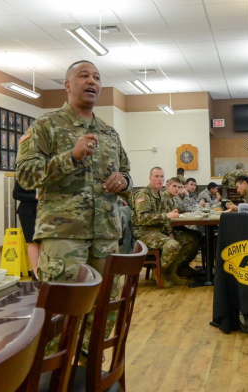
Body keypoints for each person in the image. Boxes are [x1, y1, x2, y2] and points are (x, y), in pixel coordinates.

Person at [16, 60, 132, 283]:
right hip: (63, 236)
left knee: (107, 310)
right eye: (84, 76)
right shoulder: (45, 125)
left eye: (97, 78)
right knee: (65, 311)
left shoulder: (109, 133)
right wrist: (70, 158)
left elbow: (126, 172)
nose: (92, 81)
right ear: (67, 85)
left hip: (106, 235)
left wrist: (124, 181)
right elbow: (26, 176)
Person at [132, 169, 198, 288]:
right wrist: (166, 216)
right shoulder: (143, 195)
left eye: (162, 176)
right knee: (173, 245)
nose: (159, 179)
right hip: (144, 232)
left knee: (189, 239)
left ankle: (172, 272)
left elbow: (165, 218)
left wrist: (169, 231)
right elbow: (141, 219)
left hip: (158, 231)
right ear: (150, 178)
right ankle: (158, 272)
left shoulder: (159, 195)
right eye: (156, 176)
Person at [12, 181, 39, 279]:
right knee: (32, 241)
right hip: (28, 212)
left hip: (45, 212)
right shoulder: (25, 176)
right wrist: (34, 197)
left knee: (43, 242)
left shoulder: (48, 175)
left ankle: (43, 268)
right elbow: (16, 194)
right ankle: (35, 270)